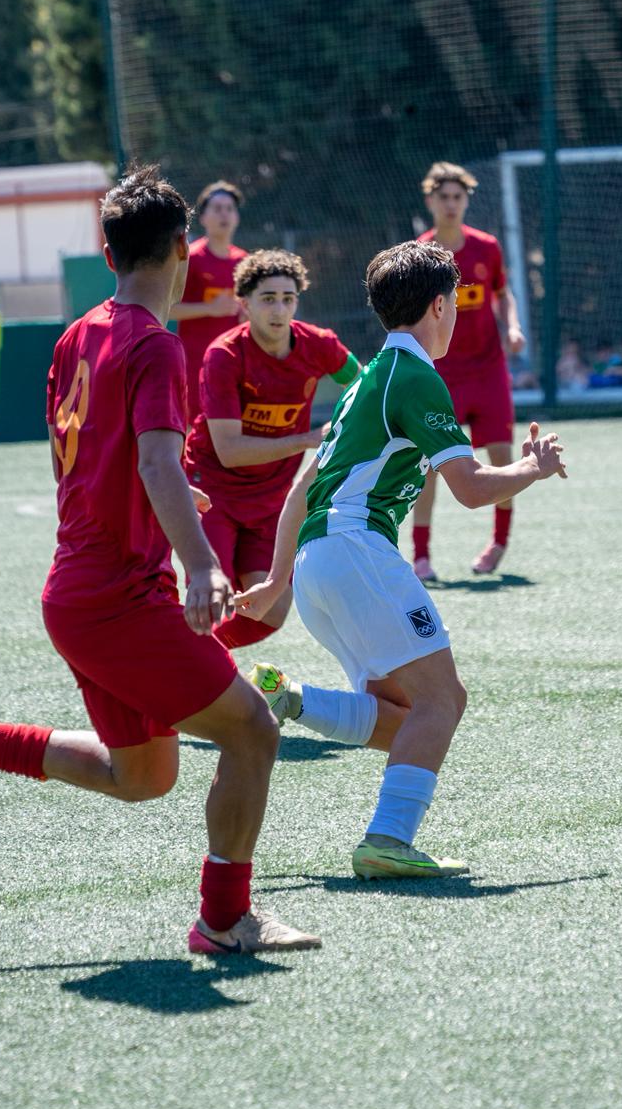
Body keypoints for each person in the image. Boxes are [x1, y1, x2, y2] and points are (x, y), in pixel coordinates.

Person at [0, 166, 319, 957]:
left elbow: (96, 461)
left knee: (144, 777)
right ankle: (225, 920)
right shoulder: (156, 345)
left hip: (76, 592)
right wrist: (198, 562)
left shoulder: (76, 333)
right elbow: (153, 464)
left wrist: (180, 504)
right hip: (120, 596)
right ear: (183, 248)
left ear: (107, 250)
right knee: (253, 729)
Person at [232, 240, 567, 882]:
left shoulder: (368, 379)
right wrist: (533, 466)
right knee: (443, 701)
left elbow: (306, 485)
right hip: (358, 551)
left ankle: (291, 700)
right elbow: (469, 488)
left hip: (317, 566)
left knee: (401, 721)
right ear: (440, 306)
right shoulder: (415, 377)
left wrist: (278, 580)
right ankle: (386, 840)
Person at [183, 248, 361, 653]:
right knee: (214, 596)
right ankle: (197, 684)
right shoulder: (223, 356)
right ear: (244, 304)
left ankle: (196, 661)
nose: (279, 309)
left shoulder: (319, 345)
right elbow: (229, 451)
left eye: (288, 298)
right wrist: (307, 439)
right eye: (267, 299)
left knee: (273, 607)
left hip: (271, 501)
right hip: (213, 493)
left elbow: (366, 387)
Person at [412, 160, 527, 580]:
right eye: (443, 197)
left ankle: (498, 542)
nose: (450, 204)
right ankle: (421, 555)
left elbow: (503, 292)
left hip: (489, 371)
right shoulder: (422, 253)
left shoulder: (487, 247)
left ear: (466, 201)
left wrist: (512, 326)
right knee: (429, 463)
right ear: (431, 200)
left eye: (457, 197)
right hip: (441, 375)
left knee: (501, 456)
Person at [170, 179, 248, 422]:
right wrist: (209, 309)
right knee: (195, 422)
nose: (224, 214)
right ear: (202, 217)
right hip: (195, 360)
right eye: (217, 208)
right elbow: (169, 309)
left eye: (229, 208)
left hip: (235, 359)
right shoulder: (189, 257)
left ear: (236, 217)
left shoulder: (245, 261)